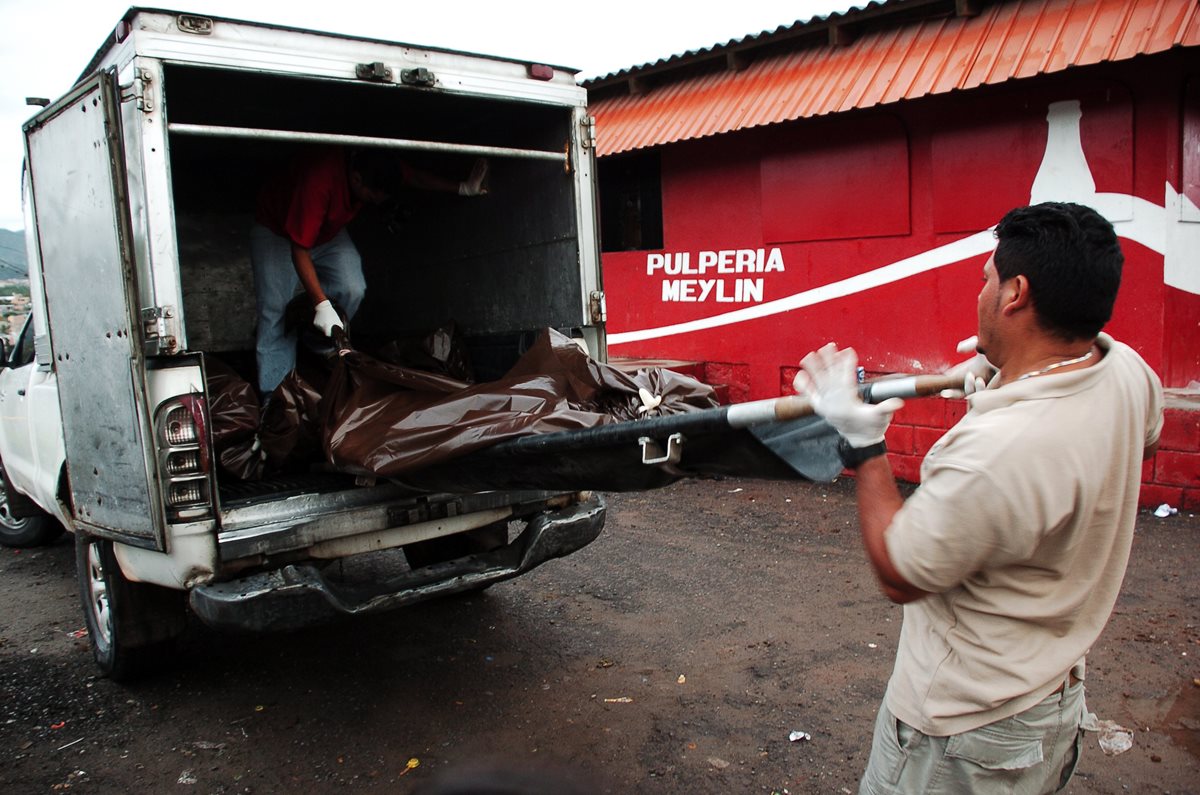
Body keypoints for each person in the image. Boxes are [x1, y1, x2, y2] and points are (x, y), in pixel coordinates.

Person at [793, 202, 1164, 794]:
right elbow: (1138, 444)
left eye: (987, 277)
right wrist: (1008, 379)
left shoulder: (996, 453)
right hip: (1049, 703)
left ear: (1015, 294)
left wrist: (863, 444)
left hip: (964, 735)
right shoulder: (1125, 371)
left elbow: (899, 572)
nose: (981, 288)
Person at [250, 146, 488, 395]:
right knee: (274, 313)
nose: (376, 201)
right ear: (356, 179)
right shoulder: (319, 180)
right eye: (373, 195)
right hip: (278, 231)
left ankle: (318, 347)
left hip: (327, 233)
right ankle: (276, 403)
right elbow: (299, 250)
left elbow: (416, 177)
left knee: (352, 288)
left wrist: (462, 187)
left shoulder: (379, 165)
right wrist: (321, 304)